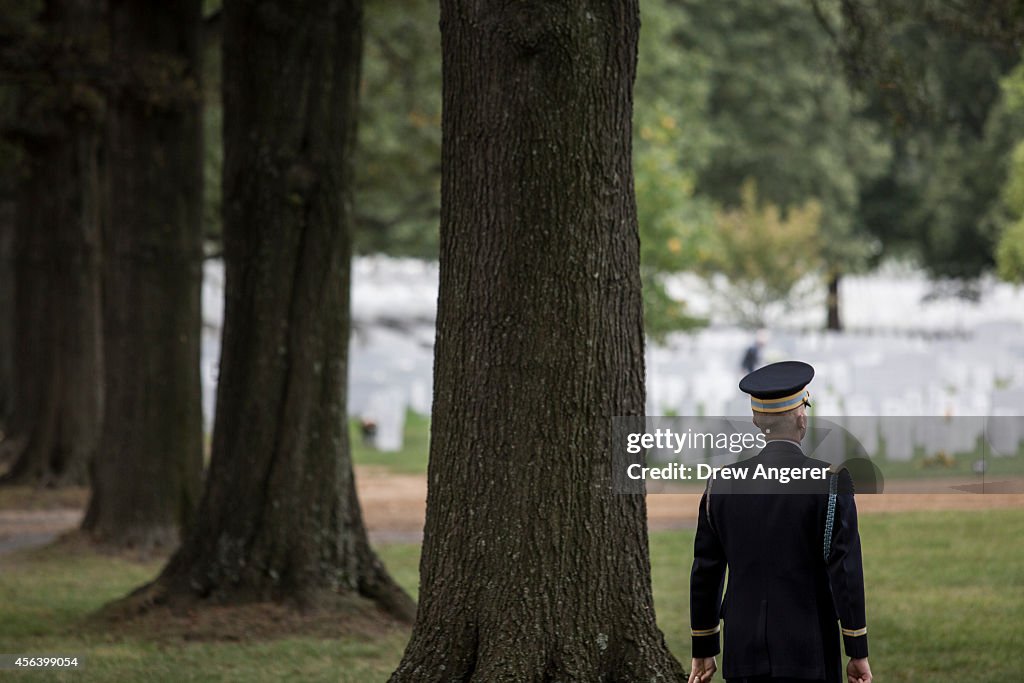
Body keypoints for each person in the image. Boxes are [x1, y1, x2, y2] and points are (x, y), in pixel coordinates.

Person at [688, 361, 872, 683]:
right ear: (802, 417)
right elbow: (845, 571)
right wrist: (857, 649)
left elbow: (706, 569)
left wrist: (703, 647)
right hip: (808, 647)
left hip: (742, 647)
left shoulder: (721, 483)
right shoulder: (830, 481)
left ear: (757, 421)